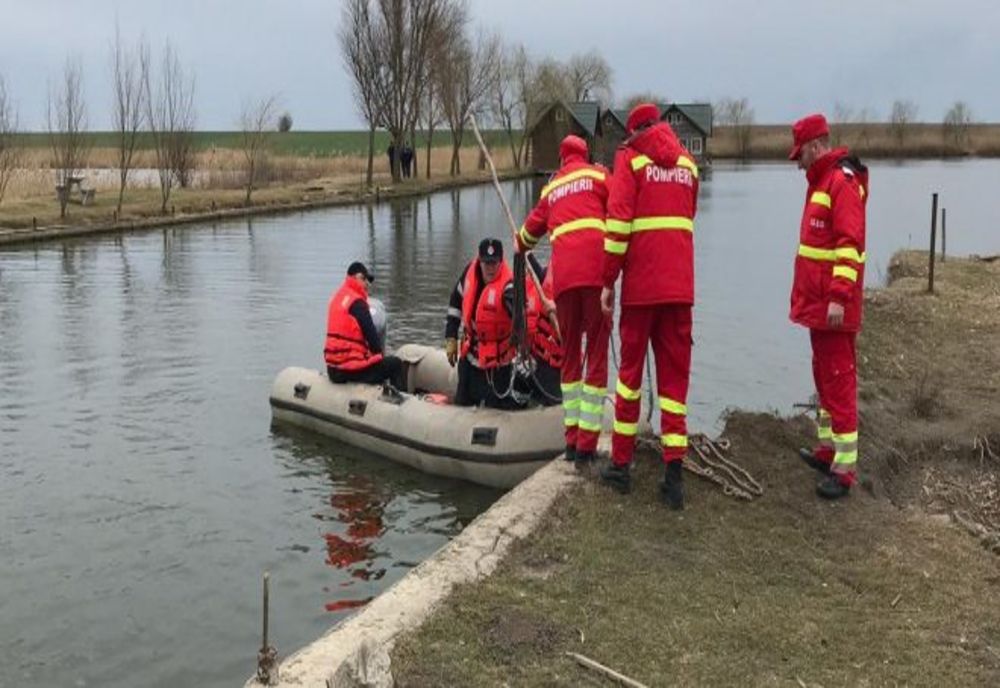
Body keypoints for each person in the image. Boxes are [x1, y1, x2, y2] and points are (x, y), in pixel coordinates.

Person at [598, 103, 700, 510]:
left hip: (641, 290)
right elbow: (688, 217)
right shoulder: (688, 164)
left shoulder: (630, 160)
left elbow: (618, 225)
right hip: (680, 289)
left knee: (629, 380)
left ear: (635, 131)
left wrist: (608, 281)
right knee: (675, 385)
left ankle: (621, 467)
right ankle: (673, 478)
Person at [788, 113, 869, 500]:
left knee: (839, 378)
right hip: (819, 305)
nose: (798, 162)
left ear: (816, 146)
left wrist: (838, 296)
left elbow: (849, 245)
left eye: (801, 154)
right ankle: (828, 450)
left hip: (833, 306)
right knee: (823, 375)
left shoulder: (841, 182)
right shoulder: (821, 182)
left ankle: (844, 469)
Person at [516, 134, 611, 466]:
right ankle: (587, 446)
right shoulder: (600, 176)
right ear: (585, 155)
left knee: (569, 357)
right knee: (596, 357)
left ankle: (571, 441)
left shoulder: (552, 189)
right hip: (597, 279)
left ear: (561, 158)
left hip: (564, 283)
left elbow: (526, 237)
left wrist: (519, 241)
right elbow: (621, 214)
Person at [444, 238, 522, 410]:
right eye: (486, 263)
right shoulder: (469, 274)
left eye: (494, 263)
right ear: (479, 261)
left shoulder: (508, 287)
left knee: (495, 411)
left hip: (497, 368)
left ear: (501, 261)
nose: (490, 268)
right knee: (461, 405)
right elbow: (455, 305)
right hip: (469, 359)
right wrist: (450, 336)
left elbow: (519, 316)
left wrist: (518, 311)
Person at [324, 261, 405, 389]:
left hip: (333, 369)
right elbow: (373, 340)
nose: (367, 284)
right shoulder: (358, 303)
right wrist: (380, 358)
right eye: (365, 279)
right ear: (357, 277)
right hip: (351, 369)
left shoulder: (336, 298)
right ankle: (401, 399)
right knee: (396, 364)